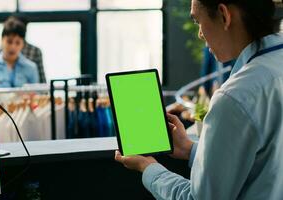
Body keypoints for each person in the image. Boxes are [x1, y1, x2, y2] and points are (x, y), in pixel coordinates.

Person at [115, 0, 283, 199]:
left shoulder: (234, 97)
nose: (200, 34)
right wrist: (190, 149)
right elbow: (262, 165)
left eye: (197, 21)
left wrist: (148, 167)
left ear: (224, 15)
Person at [0, 17, 39, 88]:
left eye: (18, 43)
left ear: (23, 44)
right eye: (9, 42)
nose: (13, 47)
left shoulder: (31, 68)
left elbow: (36, 96)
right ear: (2, 40)